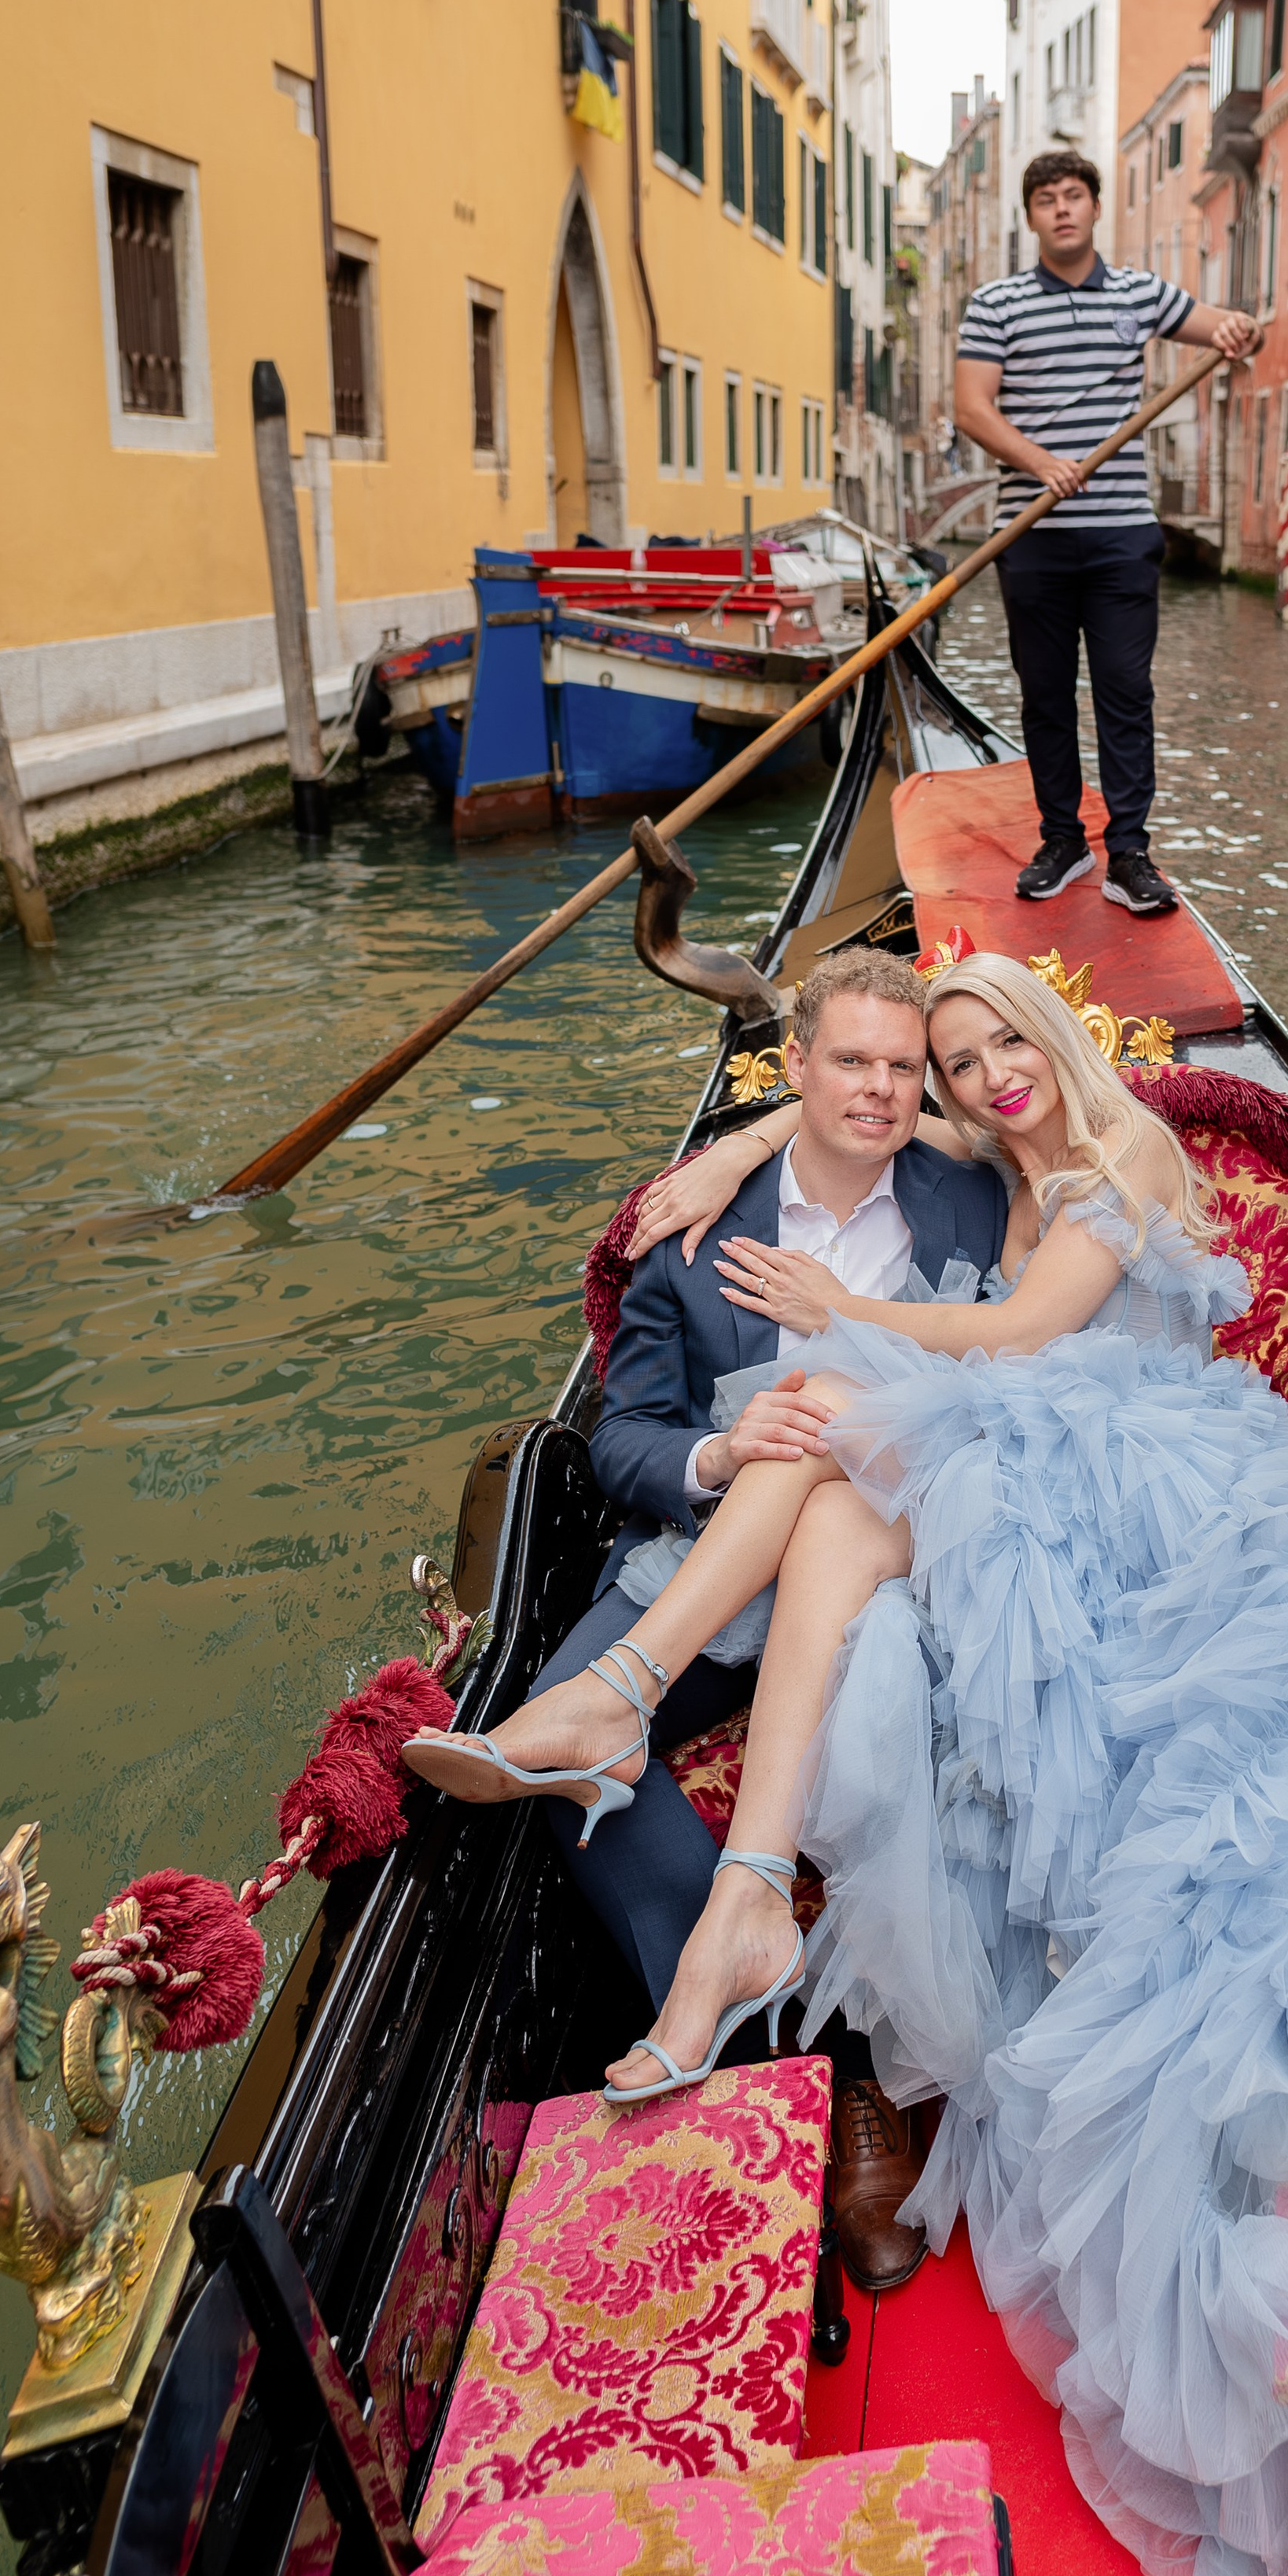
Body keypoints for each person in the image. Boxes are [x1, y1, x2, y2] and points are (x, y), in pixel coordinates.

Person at [407, 954, 1288, 2576]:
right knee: (825, 1466)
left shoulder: (1095, 1158)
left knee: (835, 1441)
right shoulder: (900, 1168)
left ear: (1042, 1040)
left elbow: (1019, 1324)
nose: (960, 1079)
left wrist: (838, 1314)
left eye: (973, 1050)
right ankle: (714, 1849)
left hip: (1117, 1469)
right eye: (940, 1059)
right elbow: (703, 1330)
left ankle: (690, 1801)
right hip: (911, 1474)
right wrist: (732, 1150)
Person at [407, 945, 1006, 2294]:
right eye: (848, 1062)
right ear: (794, 1066)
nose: (877, 1090)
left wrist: (753, 1131)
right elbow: (623, 1436)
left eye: (901, 1068)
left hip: (892, 1563)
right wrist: (721, 1454)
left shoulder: (969, 1189)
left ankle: (863, 2084)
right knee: (549, 1767)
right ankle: (779, 2044)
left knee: (899, 1738)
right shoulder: (689, 1231)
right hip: (707, 1561)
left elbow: (1059, 1144)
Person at [953, 152, 1259, 919]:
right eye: (1046, 199)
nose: (1062, 209)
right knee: (1046, 697)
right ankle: (1064, 841)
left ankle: (1128, 853)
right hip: (1031, 537)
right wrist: (1041, 463)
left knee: (1126, 692)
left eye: (1074, 196)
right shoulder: (995, 304)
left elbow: (1221, 326)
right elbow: (972, 408)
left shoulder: (1139, 295)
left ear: (1094, 208)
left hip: (1122, 534)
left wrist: (1240, 328)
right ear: (1030, 216)